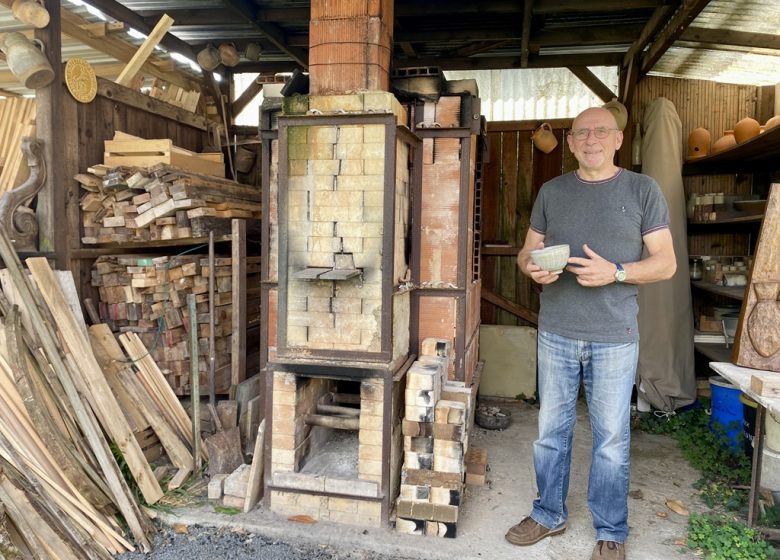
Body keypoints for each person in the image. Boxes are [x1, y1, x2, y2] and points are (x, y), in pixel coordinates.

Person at [506, 107, 677, 560]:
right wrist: (532, 271)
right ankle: (547, 514)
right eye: (581, 132)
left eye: (601, 131)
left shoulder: (643, 189)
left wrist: (616, 272)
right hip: (557, 331)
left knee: (610, 439)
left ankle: (611, 530)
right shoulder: (552, 191)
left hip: (614, 335)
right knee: (550, 432)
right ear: (570, 141)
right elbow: (527, 252)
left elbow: (665, 262)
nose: (591, 139)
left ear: (618, 139)